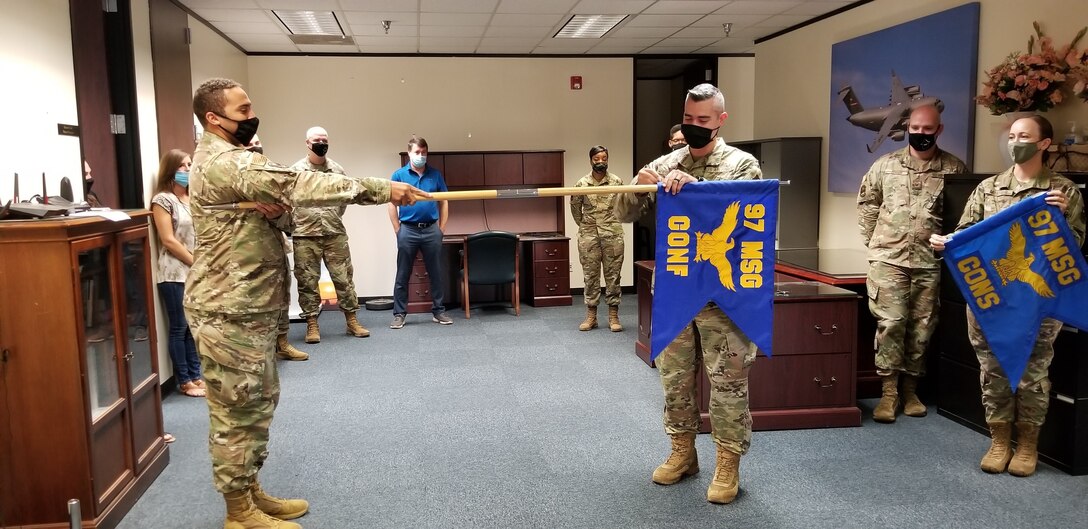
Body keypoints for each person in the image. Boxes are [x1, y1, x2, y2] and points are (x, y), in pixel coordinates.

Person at [185, 77, 428, 528]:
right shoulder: (224, 163)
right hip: (228, 308)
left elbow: (276, 206)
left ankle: (251, 491)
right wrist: (381, 189)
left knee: (257, 403)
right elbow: (298, 184)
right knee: (237, 409)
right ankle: (238, 513)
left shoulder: (235, 163)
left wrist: (272, 212)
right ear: (213, 119)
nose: (251, 115)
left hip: (250, 304)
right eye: (242, 111)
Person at [615, 83, 761, 504]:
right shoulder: (666, 161)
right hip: (676, 292)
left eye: (703, 120)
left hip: (723, 296)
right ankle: (683, 453)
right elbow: (625, 213)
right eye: (689, 119)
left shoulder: (742, 165)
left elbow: (745, 221)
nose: (694, 127)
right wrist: (638, 184)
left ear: (720, 120)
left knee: (728, 383)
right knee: (675, 379)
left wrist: (690, 188)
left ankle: (727, 464)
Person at [931, 115, 1085, 477]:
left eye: (1024, 136)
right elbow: (966, 235)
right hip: (989, 298)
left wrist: (1059, 220)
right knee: (992, 370)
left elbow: (1073, 250)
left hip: (1035, 302)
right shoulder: (988, 188)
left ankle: (1028, 444)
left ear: (1044, 143)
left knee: (1032, 372)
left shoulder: (1062, 192)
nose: (1016, 142)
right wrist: (944, 242)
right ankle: (999, 440)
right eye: (1012, 135)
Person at [856, 104, 967, 423]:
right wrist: (874, 243)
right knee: (891, 324)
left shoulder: (954, 169)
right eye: (915, 128)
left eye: (927, 129)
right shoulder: (885, 165)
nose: (919, 134)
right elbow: (868, 205)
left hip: (930, 263)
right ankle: (888, 393)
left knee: (922, 328)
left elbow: (961, 217)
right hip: (888, 261)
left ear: (939, 130)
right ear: (908, 128)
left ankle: (910, 390)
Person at [289, 126, 370, 344]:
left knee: (344, 278)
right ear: (307, 143)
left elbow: (344, 199)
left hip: (334, 232)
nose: (321, 143)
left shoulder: (337, 170)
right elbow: (288, 200)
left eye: (324, 139)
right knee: (307, 281)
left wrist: (331, 215)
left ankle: (352, 320)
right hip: (305, 234)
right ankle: (312, 324)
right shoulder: (296, 171)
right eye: (317, 140)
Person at [149, 149, 205, 398]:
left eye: (190, 164)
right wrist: (195, 262)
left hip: (195, 271)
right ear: (171, 170)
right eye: (183, 166)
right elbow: (168, 240)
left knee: (193, 326)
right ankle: (184, 380)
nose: (188, 170)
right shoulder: (163, 200)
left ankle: (196, 375)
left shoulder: (191, 200)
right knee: (179, 327)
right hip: (174, 272)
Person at [387, 135, 452, 329]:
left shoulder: (435, 174)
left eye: (424, 152)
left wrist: (441, 229)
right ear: (409, 153)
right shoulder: (399, 175)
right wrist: (398, 230)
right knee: (403, 274)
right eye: (417, 152)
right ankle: (399, 314)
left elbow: (445, 200)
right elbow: (391, 205)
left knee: (436, 273)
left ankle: (439, 311)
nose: (421, 156)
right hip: (408, 230)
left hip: (431, 229)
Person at [570, 145, 625, 332]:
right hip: (589, 235)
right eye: (596, 159)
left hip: (612, 234)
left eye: (604, 158)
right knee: (590, 275)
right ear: (591, 160)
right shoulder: (581, 184)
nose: (600, 162)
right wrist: (586, 227)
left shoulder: (617, 182)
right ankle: (591, 316)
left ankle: (613, 316)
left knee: (613, 275)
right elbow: (575, 210)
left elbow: (623, 206)